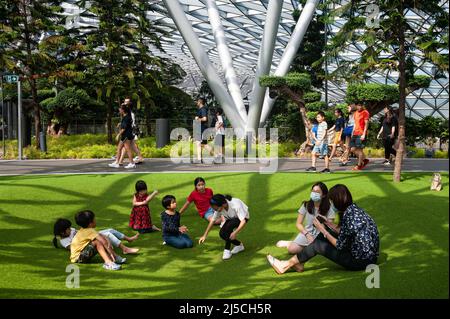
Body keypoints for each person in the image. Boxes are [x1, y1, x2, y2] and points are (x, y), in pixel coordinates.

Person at [267, 184, 379, 274]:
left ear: (337, 201)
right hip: (368, 256)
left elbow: (340, 245)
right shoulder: (353, 209)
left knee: (318, 244)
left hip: (360, 261)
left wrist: (323, 230)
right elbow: (345, 232)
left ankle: (284, 265)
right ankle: (299, 263)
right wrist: (326, 223)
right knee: (323, 236)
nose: (331, 204)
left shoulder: (349, 218)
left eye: (332, 201)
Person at [276, 182, 336, 254]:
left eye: (317, 192)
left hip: (322, 236)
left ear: (324, 195)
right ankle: (290, 243)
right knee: (291, 250)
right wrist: (307, 235)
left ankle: (302, 245)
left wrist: (324, 222)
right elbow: (298, 224)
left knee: (321, 250)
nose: (314, 194)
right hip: (307, 233)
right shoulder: (306, 205)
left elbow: (330, 228)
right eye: (313, 191)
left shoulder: (330, 209)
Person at [198, 194, 249, 260]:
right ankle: (239, 245)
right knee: (222, 234)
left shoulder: (236, 205)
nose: (216, 210)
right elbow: (212, 221)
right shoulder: (219, 208)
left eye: (216, 208)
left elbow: (243, 221)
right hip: (231, 219)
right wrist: (204, 235)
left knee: (228, 227)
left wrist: (235, 232)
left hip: (243, 218)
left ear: (223, 204)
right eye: (214, 209)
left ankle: (227, 250)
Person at [53, 218, 140, 255]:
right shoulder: (64, 241)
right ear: (62, 232)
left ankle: (128, 239)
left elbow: (79, 232)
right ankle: (124, 249)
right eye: (68, 229)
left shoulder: (71, 230)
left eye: (69, 227)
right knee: (107, 235)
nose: (70, 229)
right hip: (87, 241)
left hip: (88, 235)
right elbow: (73, 248)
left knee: (110, 230)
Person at [116, 97, 144, 165]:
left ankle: (121, 161)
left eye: (127, 102)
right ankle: (139, 158)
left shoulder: (130, 113)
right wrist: (121, 123)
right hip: (129, 132)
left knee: (126, 147)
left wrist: (120, 133)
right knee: (131, 146)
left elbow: (130, 123)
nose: (125, 103)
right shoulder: (127, 113)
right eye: (125, 102)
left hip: (130, 132)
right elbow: (127, 122)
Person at [108, 104, 136, 169]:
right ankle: (117, 162)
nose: (119, 110)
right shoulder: (126, 116)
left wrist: (118, 135)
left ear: (123, 110)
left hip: (126, 135)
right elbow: (126, 124)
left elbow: (124, 128)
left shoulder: (126, 117)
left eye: (120, 109)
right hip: (126, 135)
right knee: (119, 148)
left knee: (128, 149)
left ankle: (132, 163)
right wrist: (120, 123)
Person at [350, 103, 370, 171]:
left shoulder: (365, 112)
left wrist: (364, 134)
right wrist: (352, 132)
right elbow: (355, 123)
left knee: (359, 149)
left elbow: (366, 124)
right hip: (355, 133)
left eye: (360, 105)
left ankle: (359, 165)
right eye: (358, 105)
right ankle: (364, 160)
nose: (359, 106)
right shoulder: (355, 113)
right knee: (352, 149)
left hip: (361, 133)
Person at [193, 97, 213, 163]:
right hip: (199, 128)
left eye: (197, 101)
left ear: (200, 102)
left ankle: (216, 154)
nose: (196, 102)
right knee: (199, 143)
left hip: (202, 128)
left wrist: (197, 119)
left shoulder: (203, 109)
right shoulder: (201, 109)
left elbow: (205, 119)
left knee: (202, 144)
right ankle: (199, 159)